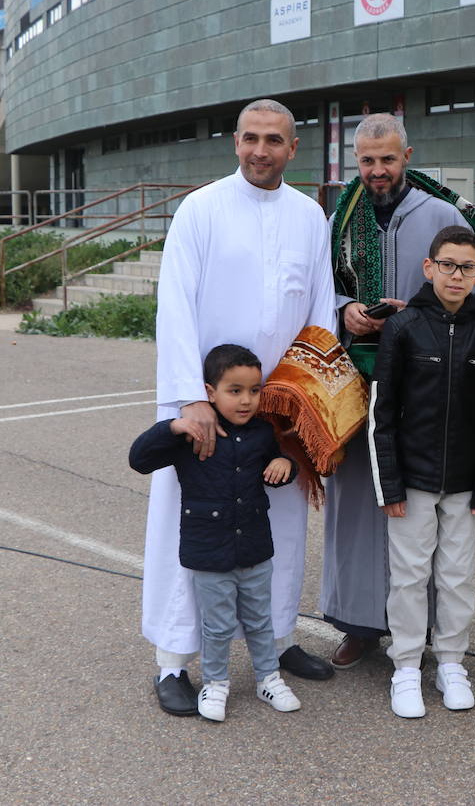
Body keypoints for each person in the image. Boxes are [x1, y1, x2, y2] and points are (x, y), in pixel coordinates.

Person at [144, 99, 337, 718]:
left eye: (274, 140)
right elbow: (174, 306)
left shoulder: (310, 217)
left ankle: (275, 645)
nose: (261, 150)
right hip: (204, 410)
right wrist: (190, 401)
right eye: (251, 138)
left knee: (279, 530)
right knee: (190, 528)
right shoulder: (201, 209)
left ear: (293, 148)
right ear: (235, 142)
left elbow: (321, 313)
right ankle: (175, 659)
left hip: (277, 411)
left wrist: (310, 410)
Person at [322, 114, 470, 668]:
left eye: (387, 158)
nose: (377, 170)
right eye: (367, 160)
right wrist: (347, 311)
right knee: (357, 501)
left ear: (407, 155)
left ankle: (424, 627)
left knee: (417, 505)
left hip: (424, 385)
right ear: (354, 162)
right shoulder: (341, 216)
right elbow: (325, 287)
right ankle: (358, 624)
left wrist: (420, 313)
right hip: (357, 381)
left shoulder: (442, 216)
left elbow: (471, 287)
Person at [368, 226, 475, 718]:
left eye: (467, 267)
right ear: (429, 268)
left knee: (457, 576)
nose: (456, 275)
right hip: (413, 480)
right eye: (447, 264)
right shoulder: (403, 329)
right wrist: (390, 483)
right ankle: (405, 665)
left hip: (465, 483)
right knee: (408, 575)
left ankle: (451, 662)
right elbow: (380, 413)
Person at [130, 345, 304, 722]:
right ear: (210, 393)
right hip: (208, 551)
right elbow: (139, 459)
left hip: (255, 547)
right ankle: (216, 683)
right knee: (218, 624)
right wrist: (173, 426)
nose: (246, 400)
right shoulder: (190, 435)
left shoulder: (262, 433)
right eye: (235, 390)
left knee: (261, 619)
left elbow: (279, 471)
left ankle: (268, 677)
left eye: (254, 390)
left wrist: (282, 463)